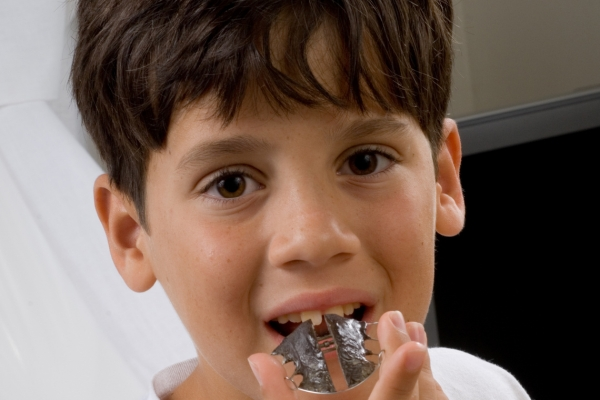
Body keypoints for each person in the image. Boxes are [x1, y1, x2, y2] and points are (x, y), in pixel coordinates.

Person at [71, 1, 530, 399]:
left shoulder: (486, 389)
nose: (312, 240)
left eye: (365, 161)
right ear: (131, 234)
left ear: (442, 181)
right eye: (230, 184)